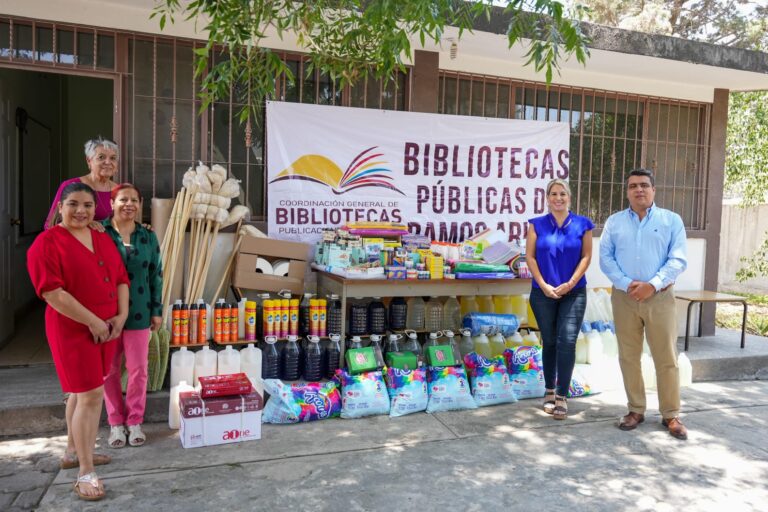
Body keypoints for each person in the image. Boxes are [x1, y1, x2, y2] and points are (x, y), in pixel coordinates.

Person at [27, 182, 129, 501]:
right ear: (59, 207)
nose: (81, 211)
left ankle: (74, 451)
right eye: (72, 204)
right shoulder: (46, 243)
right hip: (73, 329)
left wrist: (121, 316)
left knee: (83, 390)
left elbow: (121, 278)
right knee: (90, 394)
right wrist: (94, 321)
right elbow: (53, 293)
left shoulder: (101, 236)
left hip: (107, 327)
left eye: (87, 205)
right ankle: (86, 472)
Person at [599, 169, 688, 440]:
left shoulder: (671, 220)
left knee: (666, 357)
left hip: (659, 297)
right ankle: (635, 409)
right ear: (627, 191)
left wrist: (653, 284)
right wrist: (627, 284)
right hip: (625, 298)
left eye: (644, 185)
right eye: (633, 186)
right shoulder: (614, 223)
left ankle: (671, 414)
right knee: (628, 356)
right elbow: (606, 258)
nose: (639, 190)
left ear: (654, 190)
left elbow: (678, 259)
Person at [526, 178, 594, 420]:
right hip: (542, 293)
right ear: (547, 198)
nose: (558, 198)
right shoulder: (536, 225)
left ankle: (562, 397)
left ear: (569, 197)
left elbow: (586, 256)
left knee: (567, 341)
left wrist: (571, 283)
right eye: (553, 194)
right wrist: (543, 285)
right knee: (551, 341)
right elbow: (530, 257)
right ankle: (549, 391)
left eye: (562, 193)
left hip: (573, 292)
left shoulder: (583, 224)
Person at [102, 184, 163, 449]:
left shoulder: (147, 236)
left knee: (138, 370)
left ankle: (135, 420)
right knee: (109, 370)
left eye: (134, 200)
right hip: (106, 312)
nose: (129, 204)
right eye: (123, 199)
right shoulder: (99, 233)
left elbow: (156, 274)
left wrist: (157, 310)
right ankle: (116, 423)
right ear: (112, 202)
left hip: (140, 308)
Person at [45, 137, 120, 229]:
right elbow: (51, 223)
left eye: (113, 158)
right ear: (89, 161)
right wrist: (84, 223)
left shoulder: (120, 191)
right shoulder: (71, 185)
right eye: (101, 157)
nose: (108, 162)